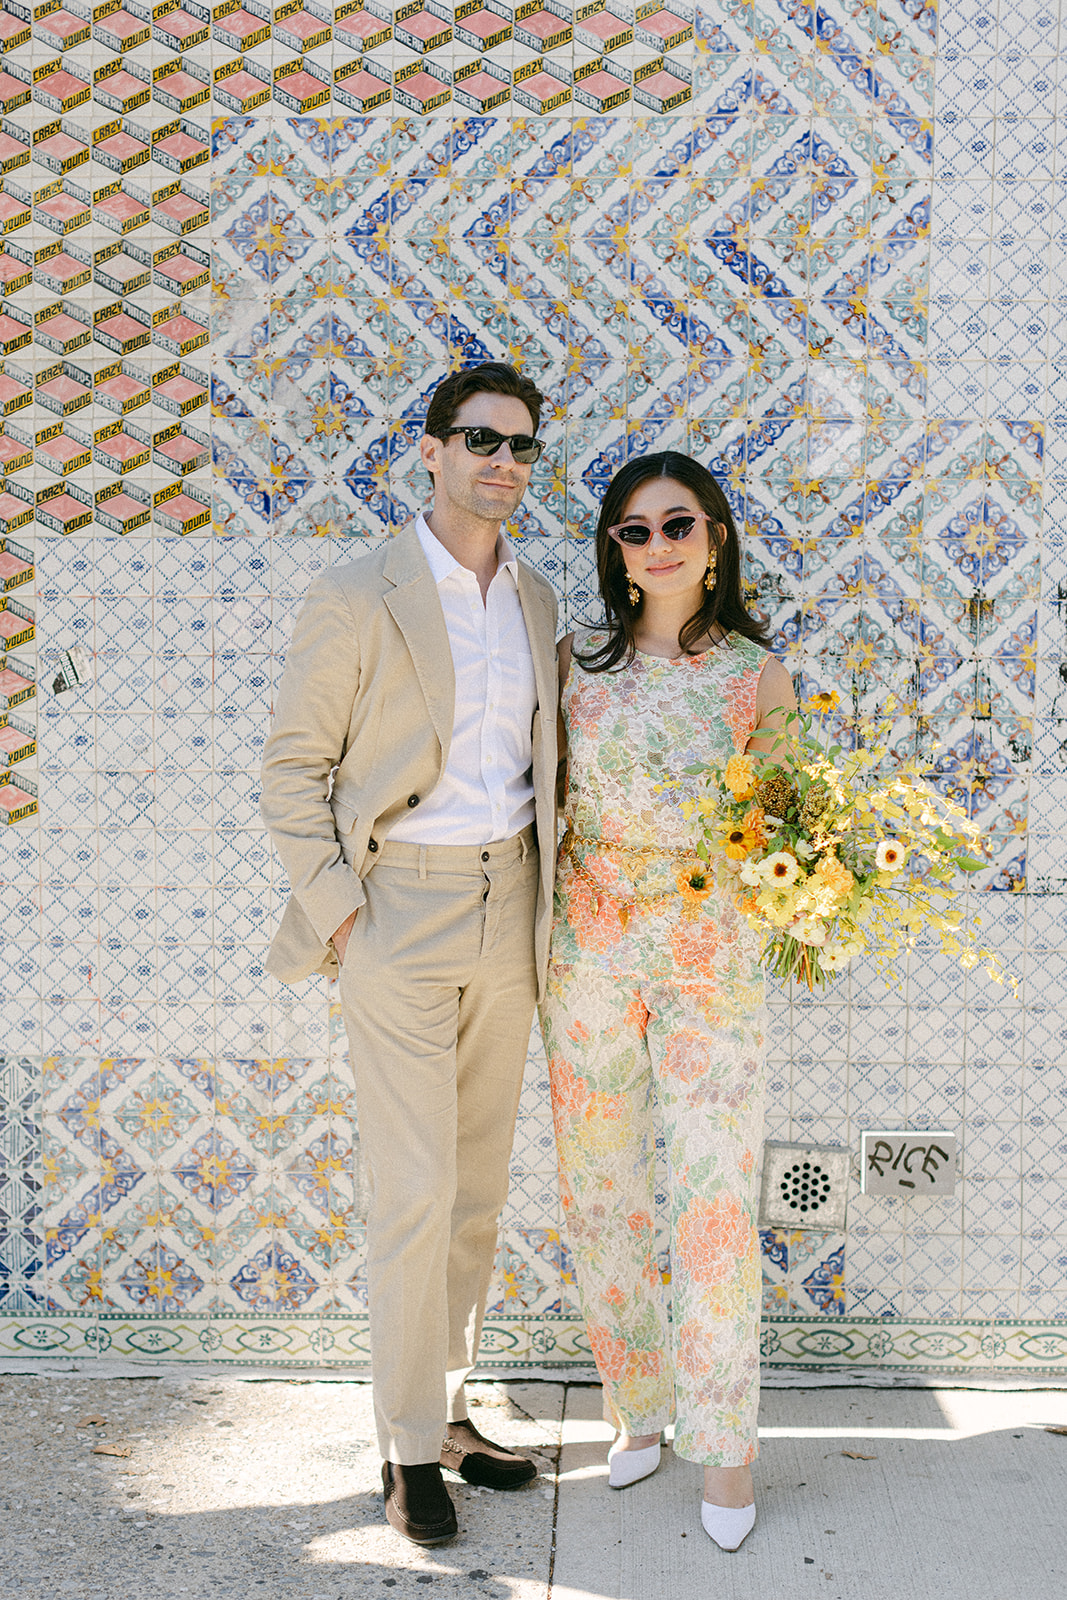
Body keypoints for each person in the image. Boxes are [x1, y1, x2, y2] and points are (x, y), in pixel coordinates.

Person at [260, 362, 559, 1547]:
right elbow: (292, 771)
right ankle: (400, 1449)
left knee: (476, 1191)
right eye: (479, 439)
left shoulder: (534, 598)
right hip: (398, 914)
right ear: (429, 450)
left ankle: (448, 1415)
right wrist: (343, 916)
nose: (501, 460)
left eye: (521, 446)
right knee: (416, 1189)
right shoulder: (357, 593)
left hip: (511, 907)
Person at [540, 450, 795, 1551]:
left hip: (709, 960)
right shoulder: (574, 665)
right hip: (586, 951)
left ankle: (724, 1446)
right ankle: (634, 1404)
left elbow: (786, 825)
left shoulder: (754, 674)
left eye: (675, 523)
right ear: (614, 550)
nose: (656, 544)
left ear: (714, 537)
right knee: (600, 1189)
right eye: (633, 529)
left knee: (709, 1203)